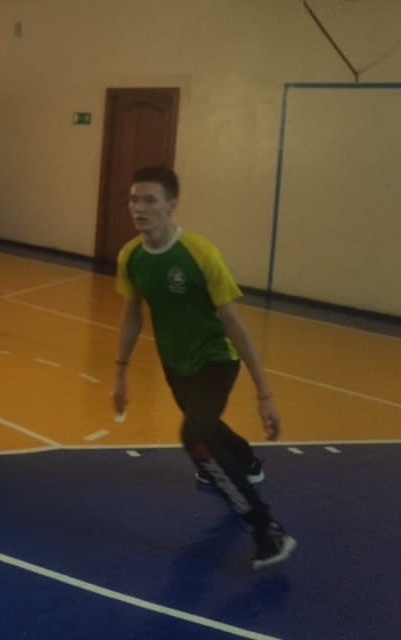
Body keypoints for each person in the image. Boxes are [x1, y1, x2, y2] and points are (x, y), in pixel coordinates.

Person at [111, 165, 295, 571]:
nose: (139, 208)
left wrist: (264, 394)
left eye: (150, 200)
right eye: (133, 200)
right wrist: (120, 372)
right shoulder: (131, 256)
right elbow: (132, 314)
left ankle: (267, 529)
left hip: (216, 358)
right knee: (206, 428)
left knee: (194, 435)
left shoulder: (200, 253)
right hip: (175, 363)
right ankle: (245, 460)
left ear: (171, 205)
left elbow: (233, 323)